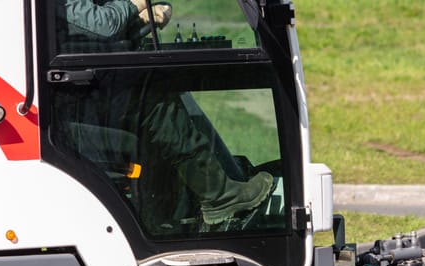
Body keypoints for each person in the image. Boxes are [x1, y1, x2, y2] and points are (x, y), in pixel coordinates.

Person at [57, 0, 274, 226]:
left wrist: (140, 17)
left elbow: (95, 27)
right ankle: (220, 197)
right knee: (158, 106)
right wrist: (140, 4)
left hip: (83, 91)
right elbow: (102, 24)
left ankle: (176, 209)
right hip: (74, 101)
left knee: (159, 92)